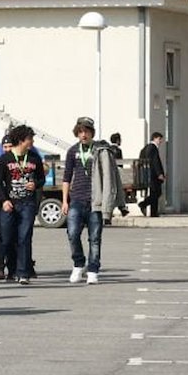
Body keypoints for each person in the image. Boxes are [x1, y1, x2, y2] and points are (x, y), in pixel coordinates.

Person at [61, 117, 123, 284]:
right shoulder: (73, 151)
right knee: (72, 234)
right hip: (76, 199)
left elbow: (110, 175)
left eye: (87, 131)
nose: (84, 135)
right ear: (77, 133)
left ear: (91, 133)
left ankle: (93, 269)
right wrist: (65, 201)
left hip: (95, 200)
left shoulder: (100, 150)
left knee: (95, 238)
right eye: (81, 131)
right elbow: (66, 177)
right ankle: (78, 264)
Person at [0, 125, 45, 284]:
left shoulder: (34, 158)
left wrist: (35, 184)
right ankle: (11, 270)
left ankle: (23, 273)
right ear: (21, 140)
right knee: (7, 237)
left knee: (24, 237)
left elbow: (41, 178)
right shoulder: (4, 160)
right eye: (30, 139)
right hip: (9, 204)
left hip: (27, 203)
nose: (32, 141)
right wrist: (4, 200)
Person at [137, 132, 165, 217]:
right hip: (153, 175)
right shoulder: (153, 148)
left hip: (148, 174)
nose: (160, 141)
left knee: (155, 193)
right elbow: (155, 162)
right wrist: (159, 173)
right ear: (155, 138)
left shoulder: (146, 148)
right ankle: (144, 204)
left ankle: (153, 211)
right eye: (159, 139)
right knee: (156, 192)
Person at [106, 133, 128, 219]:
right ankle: (120, 208)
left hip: (108, 174)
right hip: (115, 174)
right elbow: (120, 164)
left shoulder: (107, 150)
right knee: (117, 193)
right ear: (118, 140)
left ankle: (119, 209)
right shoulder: (118, 150)